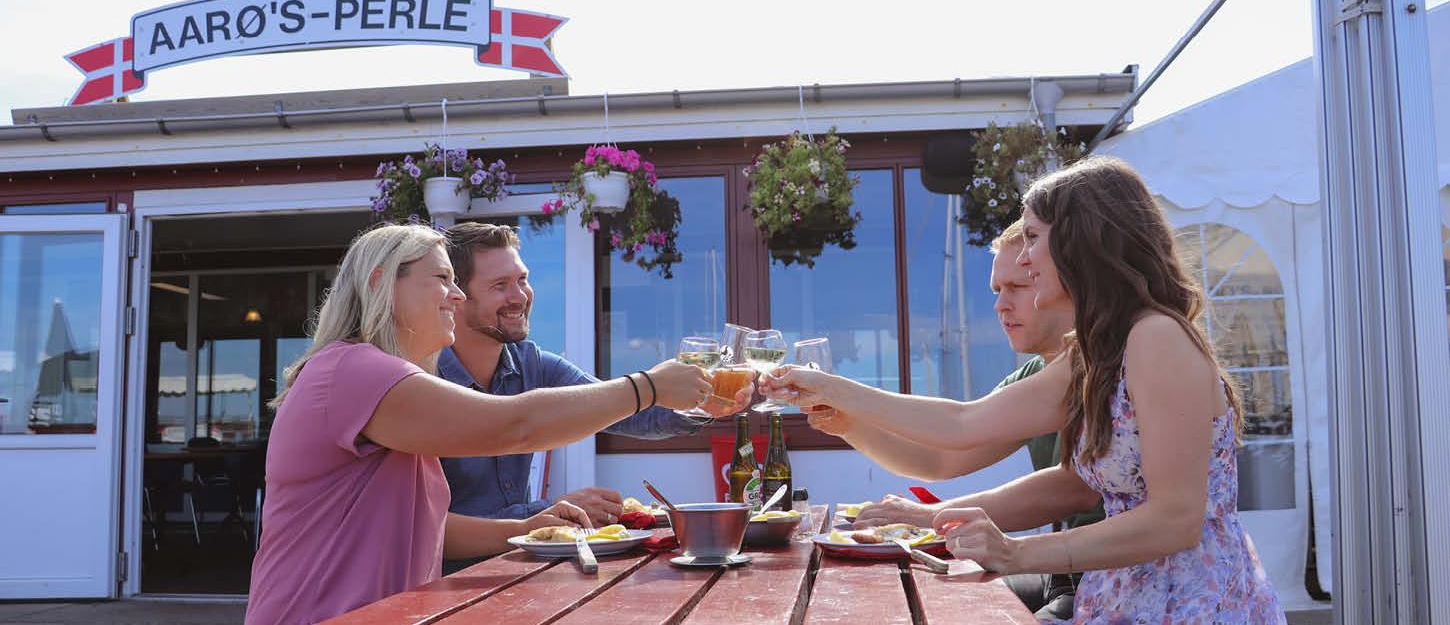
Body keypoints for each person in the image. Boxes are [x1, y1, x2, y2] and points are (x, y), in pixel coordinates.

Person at [765, 156, 1283, 623]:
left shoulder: (1157, 338)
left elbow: (1176, 521)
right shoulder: (1096, 352)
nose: (1027, 261)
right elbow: (962, 425)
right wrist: (837, 397)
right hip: (1122, 597)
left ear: (1082, 240)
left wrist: (1013, 553)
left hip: (1192, 604)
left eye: (1034, 239)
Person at [245, 224, 750, 625]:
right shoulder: (354, 370)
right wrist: (648, 384)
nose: (457, 297)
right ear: (380, 282)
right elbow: (517, 425)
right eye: (442, 279)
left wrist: (523, 528)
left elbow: (428, 528)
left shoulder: (378, 381)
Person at [810, 218, 1097, 620]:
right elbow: (942, 457)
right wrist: (850, 424)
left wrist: (928, 515)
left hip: (1111, 580)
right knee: (930, 602)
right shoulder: (1039, 373)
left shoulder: (1100, 363)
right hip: (1064, 572)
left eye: (1018, 287)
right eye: (998, 291)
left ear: (1066, 282)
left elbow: (1073, 487)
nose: (1000, 305)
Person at [437, 222, 729, 572]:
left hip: (519, 569)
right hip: (446, 583)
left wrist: (704, 405)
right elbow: (428, 527)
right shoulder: (424, 380)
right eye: (500, 285)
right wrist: (543, 513)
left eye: (522, 280)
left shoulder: (532, 363)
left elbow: (626, 412)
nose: (519, 296)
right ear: (456, 296)